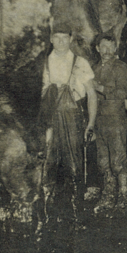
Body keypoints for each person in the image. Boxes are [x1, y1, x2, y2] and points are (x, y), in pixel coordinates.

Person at [40, 30, 98, 216]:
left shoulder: (79, 62)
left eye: (65, 38)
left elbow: (92, 94)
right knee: (48, 163)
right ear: (51, 39)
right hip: (49, 119)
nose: (61, 41)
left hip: (73, 118)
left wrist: (91, 123)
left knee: (74, 165)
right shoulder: (43, 63)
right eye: (57, 37)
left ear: (71, 39)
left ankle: (76, 213)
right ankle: (48, 214)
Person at [91, 34, 127, 215]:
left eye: (111, 47)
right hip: (99, 120)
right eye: (103, 47)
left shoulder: (121, 67)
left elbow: (120, 94)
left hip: (115, 120)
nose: (107, 51)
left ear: (116, 48)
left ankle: (124, 196)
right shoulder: (93, 69)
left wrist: (99, 88)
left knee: (118, 160)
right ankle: (109, 195)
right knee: (103, 160)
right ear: (97, 48)